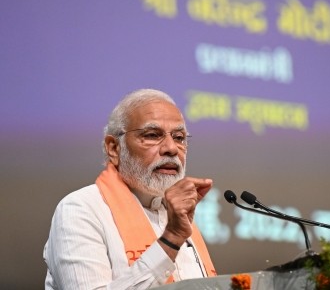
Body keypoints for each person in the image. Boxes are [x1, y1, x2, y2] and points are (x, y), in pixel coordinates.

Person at [43, 89, 217, 289]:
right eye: (152, 135)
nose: (171, 148)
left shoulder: (176, 216)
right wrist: (172, 238)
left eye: (179, 137)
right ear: (114, 148)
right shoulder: (80, 209)